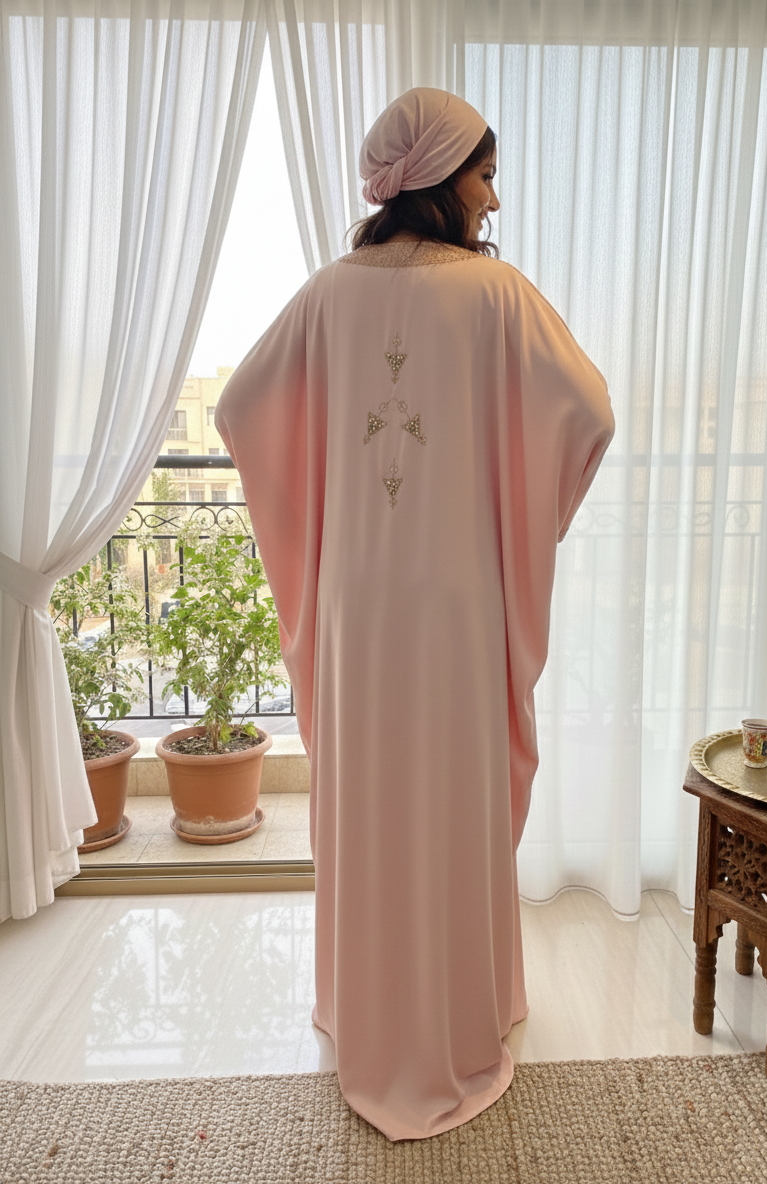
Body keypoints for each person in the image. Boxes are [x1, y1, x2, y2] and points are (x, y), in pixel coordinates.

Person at [216, 87, 614, 1141]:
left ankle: (368, 1012)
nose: (494, 196)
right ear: (440, 176)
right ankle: (460, 1011)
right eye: (485, 173)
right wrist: (513, 507)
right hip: (456, 605)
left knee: (372, 800)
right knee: (450, 802)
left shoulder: (327, 294)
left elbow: (241, 407)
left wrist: (323, 503)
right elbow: (588, 412)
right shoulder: (496, 295)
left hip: (355, 605)